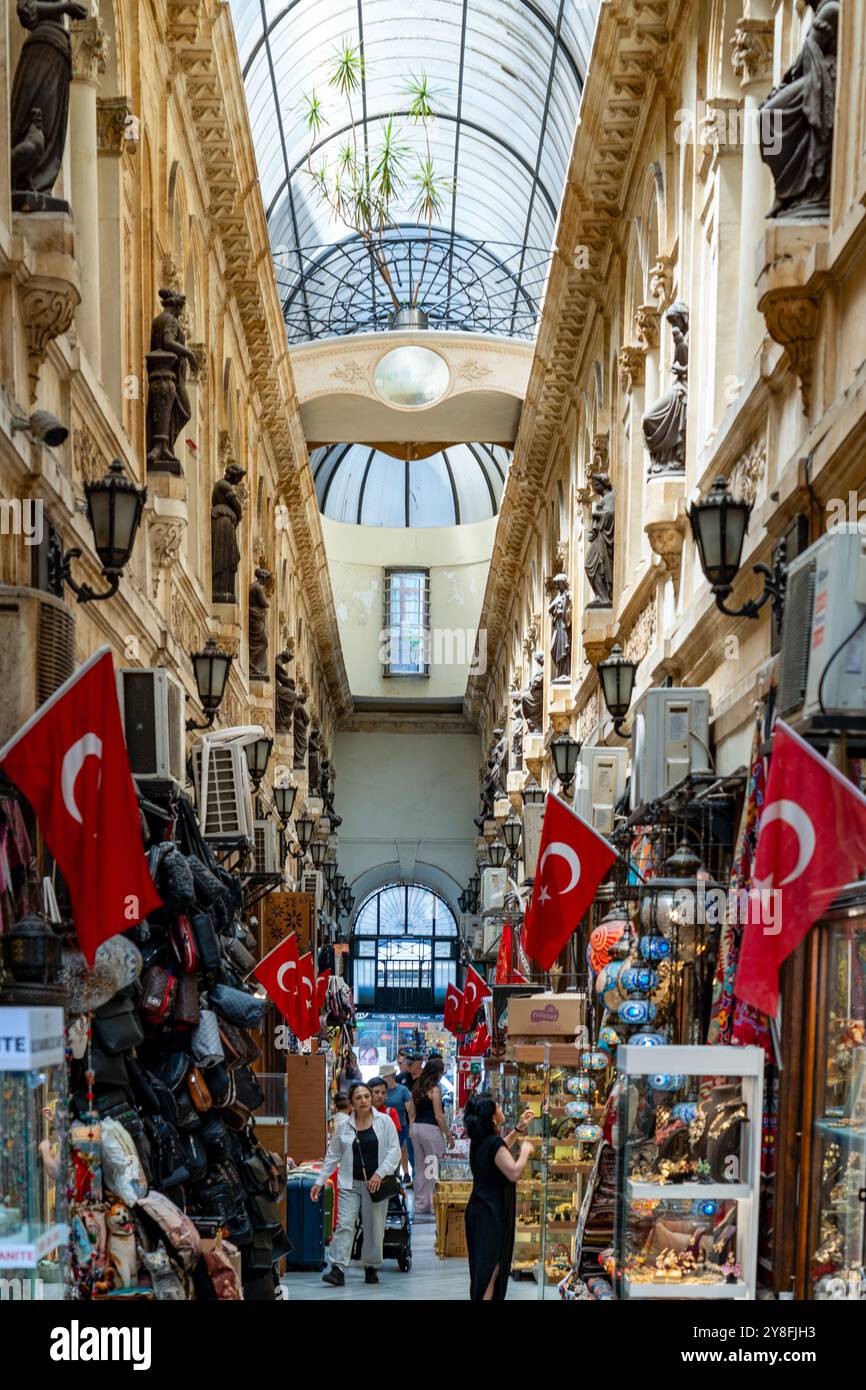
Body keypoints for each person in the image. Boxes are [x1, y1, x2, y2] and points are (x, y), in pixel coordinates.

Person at [312, 1081, 401, 1287]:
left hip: (376, 1184)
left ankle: (371, 1267)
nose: (364, 1101)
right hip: (349, 1183)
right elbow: (333, 1155)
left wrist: (379, 1174)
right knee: (345, 1224)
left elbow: (394, 1152)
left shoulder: (384, 1122)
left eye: (367, 1096)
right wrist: (320, 1181)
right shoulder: (344, 1126)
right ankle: (338, 1269)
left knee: (374, 1227)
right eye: (359, 1097)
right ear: (352, 1101)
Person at [463, 1092, 536, 1301]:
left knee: (483, 1270)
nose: (502, 1110)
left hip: (480, 1212)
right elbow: (513, 1172)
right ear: (492, 1117)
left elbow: (500, 1149)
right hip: (491, 1215)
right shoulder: (492, 1143)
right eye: (499, 1108)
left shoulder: (481, 1141)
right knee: (490, 1271)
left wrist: (518, 1129)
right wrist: (525, 1151)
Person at [406, 1057, 454, 1219]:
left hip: (416, 1129)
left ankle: (421, 1205)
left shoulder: (417, 1086)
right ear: (438, 1073)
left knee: (420, 1167)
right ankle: (435, 1204)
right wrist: (448, 1135)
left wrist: (413, 1127)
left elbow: (411, 1112)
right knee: (433, 1168)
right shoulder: (435, 1090)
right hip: (430, 1130)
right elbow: (439, 1116)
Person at [381, 1063, 413, 1184]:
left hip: (401, 1126)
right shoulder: (381, 1091)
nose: (384, 1079)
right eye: (383, 1076)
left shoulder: (402, 1090)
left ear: (392, 1075)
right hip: (384, 1127)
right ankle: (392, 1174)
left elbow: (410, 1110)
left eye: (386, 1076)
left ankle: (405, 1173)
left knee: (402, 1149)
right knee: (388, 1152)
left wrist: (411, 1127)